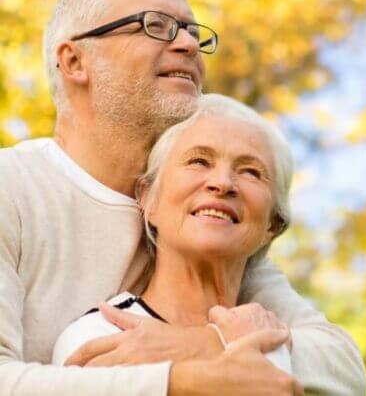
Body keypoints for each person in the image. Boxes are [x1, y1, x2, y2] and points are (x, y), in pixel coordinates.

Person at [0, 0, 366, 395]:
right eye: (155, 26)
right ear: (75, 61)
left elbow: (341, 366)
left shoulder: (198, 220)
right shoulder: (14, 188)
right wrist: (184, 379)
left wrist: (202, 344)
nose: (190, 44)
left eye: (195, 33)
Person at [52, 95, 296, 375]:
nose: (222, 183)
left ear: (272, 226)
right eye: (199, 161)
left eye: (251, 172)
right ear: (148, 199)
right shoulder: (104, 334)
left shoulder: (274, 335)